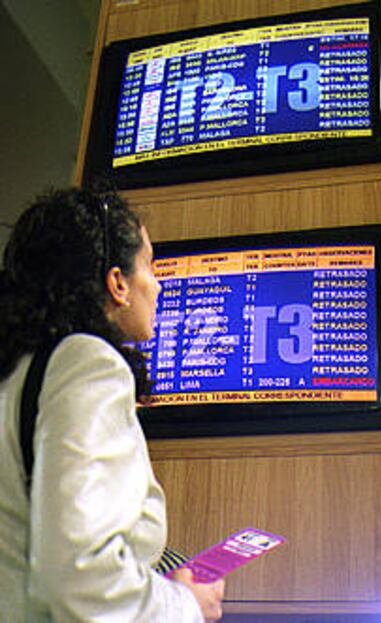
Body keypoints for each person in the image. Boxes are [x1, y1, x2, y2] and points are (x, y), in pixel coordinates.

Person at [0, 187, 225, 622]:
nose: (158, 284)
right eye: (150, 264)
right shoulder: (88, 362)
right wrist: (185, 605)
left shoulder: (17, 370)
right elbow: (81, 576)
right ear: (117, 282)